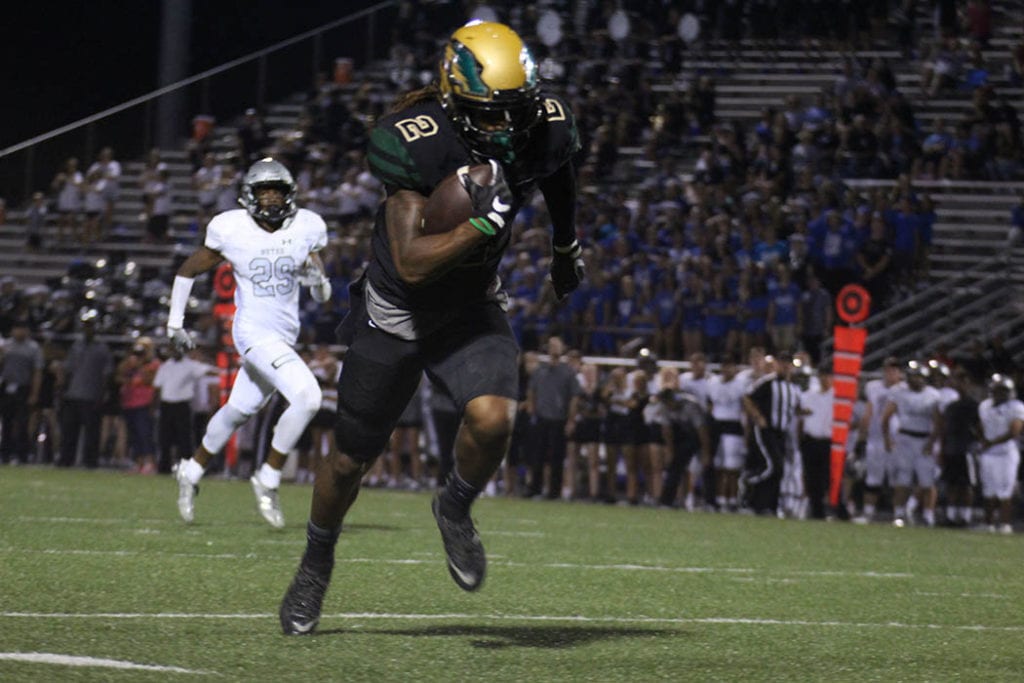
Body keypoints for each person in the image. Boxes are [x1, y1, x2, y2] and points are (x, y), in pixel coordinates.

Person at [279, 21, 583, 635]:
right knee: (347, 462)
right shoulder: (412, 141)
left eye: (514, 112)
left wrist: (565, 243)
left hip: (470, 304)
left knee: (496, 417)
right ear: (451, 97)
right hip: (397, 312)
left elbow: (556, 169)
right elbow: (413, 265)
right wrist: (483, 227)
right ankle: (316, 560)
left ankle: (454, 506)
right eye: (488, 115)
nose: (505, 129)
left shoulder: (544, 122)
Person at [168, 157, 331, 528]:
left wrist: (318, 281)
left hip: (284, 336)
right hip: (253, 333)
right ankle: (268, 477)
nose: (272, 199)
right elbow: (188, 270)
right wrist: (175, 323)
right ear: (249, 195)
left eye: (278, 191)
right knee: (308, 397)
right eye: (264, 191)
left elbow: (321, 297)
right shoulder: (231, 228)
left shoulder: (307, 226)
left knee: (239, 411)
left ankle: (191, 471)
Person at [881, 360, 942, 527]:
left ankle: (928, 515)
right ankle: (899, 513)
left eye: (920, 377)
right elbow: (886, 417)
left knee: (927, 480)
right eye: (915, 377)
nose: (918, 380)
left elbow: (938, 422)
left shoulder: (933, 395)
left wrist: (932, 442)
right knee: (903, 478)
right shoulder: (899, 392)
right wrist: (887, 439)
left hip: (924, 439)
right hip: (905, 438)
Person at [58, 310, 112, 468]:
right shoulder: (76, 346)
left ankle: (90, 461)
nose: (87, 328)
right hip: (73, 393)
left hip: (92, 394)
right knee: (69, 431)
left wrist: (103, 393)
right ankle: (66, 459)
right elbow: (69, 369)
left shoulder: (102, 348)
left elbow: (107, 373)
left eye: (90, 325)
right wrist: (64, 388)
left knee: (92, 432)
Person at [853, 356, 903, 524]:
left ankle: (899, 515)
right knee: (873, 478)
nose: (890, 373)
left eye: (894, 369)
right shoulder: (873, 387)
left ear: (899, 373)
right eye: (888, 369)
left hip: (896, 440)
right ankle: (868, 513)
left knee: (897, 479)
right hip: (875, 439)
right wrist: (861, 437)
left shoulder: (903, 389)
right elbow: (868, 412)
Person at [975, 374, 1023, 533]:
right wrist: (982, 440)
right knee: (988, 489)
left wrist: (991, 442)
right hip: (989, 452)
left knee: (1005, 490)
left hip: (1006, 453)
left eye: (1003, 390)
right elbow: (981, 426)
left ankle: (1005, 524)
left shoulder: (1016, 406)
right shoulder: (985, 405)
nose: (1000, 393)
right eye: (997, 390)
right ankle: (988, 523)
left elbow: (1014, 431)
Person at [0, 322, 43, 464]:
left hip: (23, 387)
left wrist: (34, 393)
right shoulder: (6, 345)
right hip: (6, 387)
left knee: (22, 423)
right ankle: (5, 454)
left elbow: (37, 372)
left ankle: (22, 454)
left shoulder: (33, 348)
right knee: (6, 421)